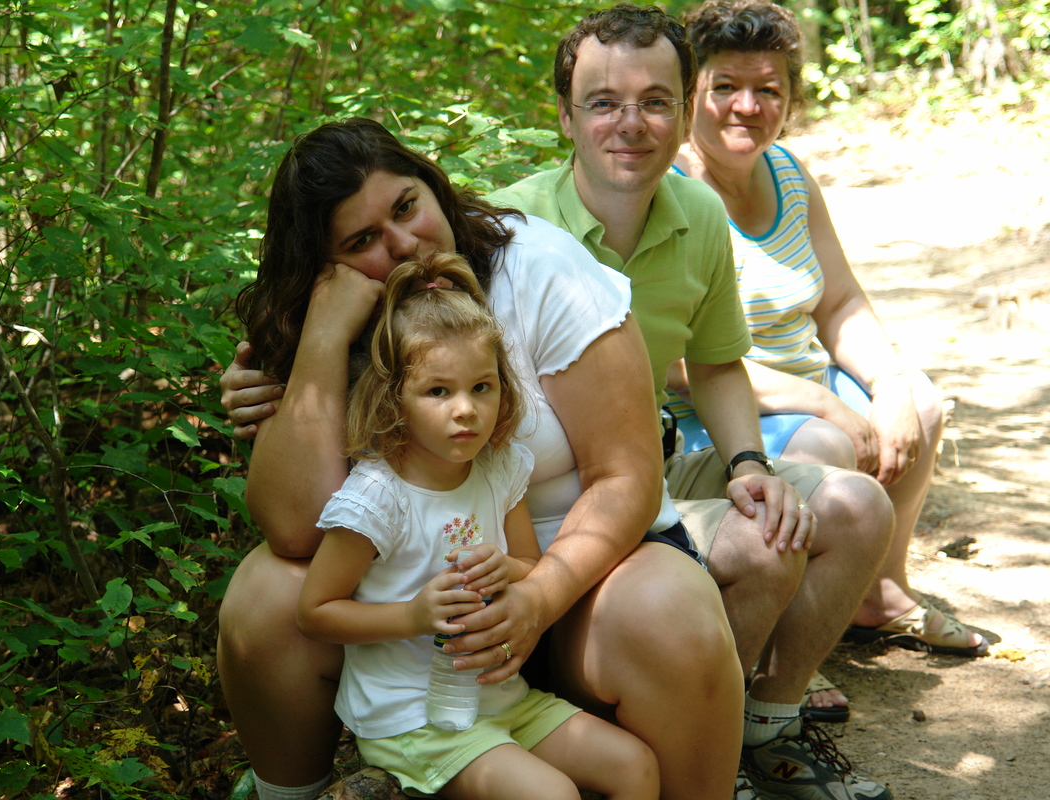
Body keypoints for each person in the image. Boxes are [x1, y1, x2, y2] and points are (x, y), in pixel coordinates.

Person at [217, 116, 746, 800]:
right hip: (415, 622)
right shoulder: (336, 322)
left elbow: (629, 478)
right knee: (264, 596)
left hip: (589, 574)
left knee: (667, 610)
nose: (404, 242)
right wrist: (319, 339)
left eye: (407, 206)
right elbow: (293, 530)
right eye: (362, 241)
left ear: (433, 186)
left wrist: (535, 595)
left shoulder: (540, 270)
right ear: (325, 264)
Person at [486, 5, 897, 799]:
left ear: (683, 111)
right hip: (550, 502)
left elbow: (714, 365)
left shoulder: (699, 214)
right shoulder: (508, 224)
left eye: (654, 101)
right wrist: (272, 374)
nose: (629, 123)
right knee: (765, 548)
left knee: (853, 507)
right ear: (565, 116)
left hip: (660, 474)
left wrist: (748, 463)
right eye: (603, 102)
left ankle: (761, 733)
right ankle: (684, 736)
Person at [668, 0, 988, 717]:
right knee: (828, 438)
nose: (746, 106)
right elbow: (671, 360)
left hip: (808, 384)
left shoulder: (787, 173)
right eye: (724, 86)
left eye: (769, 88)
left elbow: (840, 304)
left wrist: (893, 383)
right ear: (692, 89)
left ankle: (878, 590)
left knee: (922, 403)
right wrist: (823, 401)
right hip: (716, 415)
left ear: (791, 97)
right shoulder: (672, 190)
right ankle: (785, 651)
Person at [296, 251, 658, 800]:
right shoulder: (377, 497)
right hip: (414, 718)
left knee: (634, 766)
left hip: (500, 698)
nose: (465, 409)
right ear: (394, 397)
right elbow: (316, 612)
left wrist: (507, 568)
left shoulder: (497, 469)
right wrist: (413, 615)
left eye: (482, 387)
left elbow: (531, 567)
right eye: (438, 391)